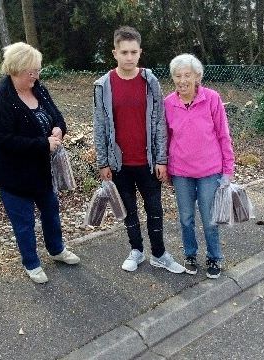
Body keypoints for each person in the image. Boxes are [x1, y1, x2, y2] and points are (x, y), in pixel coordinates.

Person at [0, 42, 80, 284]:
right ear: (16, 69)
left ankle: (56, 250)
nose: (36, 76)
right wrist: (43, 144)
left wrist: (59, 128)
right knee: (24, 223)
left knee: (51, 212)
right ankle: (31, 263)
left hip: (41, 172)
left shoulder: (38, 88)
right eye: (32, 71)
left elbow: (56, 115)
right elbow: (4, 141)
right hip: (13, 175)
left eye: (38, 70)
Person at [93, 26, 185, 274]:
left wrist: (162, 159)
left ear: (140, 52)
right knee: (128, 210)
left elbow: (158, 122)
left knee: (155, 209)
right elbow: (100, 125)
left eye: (134, 52)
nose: (129, 57)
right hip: (119, 164)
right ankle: (136, 250)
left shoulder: (150, 81)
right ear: (115, 53)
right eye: (124, 52)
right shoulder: (103, 85)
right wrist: (103, 162)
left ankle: (159, 253)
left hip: (148, 161)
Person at [164, 53, 235, 279]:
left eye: (187, 75)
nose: (182, 80)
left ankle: (215, 257)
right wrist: (164, 166)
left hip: (209, 171)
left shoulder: (212, 98)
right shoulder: (168, 103)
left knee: (209, 218)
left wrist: (228, 169)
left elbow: (224, 135)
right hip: (181, 171)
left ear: (197, 76)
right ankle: (190, 254)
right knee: (185, 218)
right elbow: (164, 138)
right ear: (173, 78)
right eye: (178, 76)